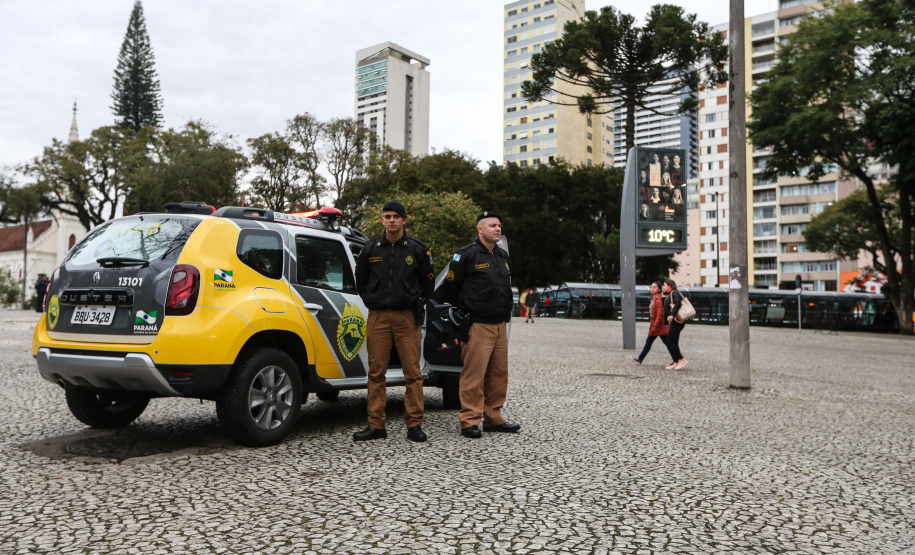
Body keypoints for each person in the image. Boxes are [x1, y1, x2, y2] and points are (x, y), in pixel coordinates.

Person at [353, 200, 435, 442]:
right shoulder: (370, 249)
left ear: (404, 220)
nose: (391, 220)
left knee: (413, 373)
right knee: (376, 373)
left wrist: (412, 302)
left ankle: (414, 425)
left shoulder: (418, 250)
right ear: (382, 220)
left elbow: (427, 283)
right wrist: (372, 300)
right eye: (387, 216)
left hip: (406, 317)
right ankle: (376, 425)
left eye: (396, 216)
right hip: (377, 317)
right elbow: (361, 281)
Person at [437, 211, 520, 438]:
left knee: (498, 374)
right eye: (492, 225)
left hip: (499, 325)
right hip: (477, 324)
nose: (497, 229)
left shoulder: (501, 256)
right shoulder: (466, 255)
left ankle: (494, 418)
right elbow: (450, 288)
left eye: (499, 226)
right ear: (480, 229)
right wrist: (463, 312)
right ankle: (469, 420)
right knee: (473, 375)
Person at [631, 281, 668, 364]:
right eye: (651, 287)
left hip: (658, 325)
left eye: (654, 287)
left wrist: (655, 324)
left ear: (659, 289)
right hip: (657, 324)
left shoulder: (658, 299)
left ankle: (640, 358)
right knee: (667, 342)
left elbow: (660, 314)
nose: (652, 289)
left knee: (650, 341)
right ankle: (677, 358)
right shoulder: (654, 299)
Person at [662, 279, 688, 370]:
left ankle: (681, 359)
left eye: (664, 285)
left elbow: (677, 304)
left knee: (669, 340)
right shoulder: (670, 294)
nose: (663, 287)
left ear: (670, 286)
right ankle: (676, 361)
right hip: (674, 321)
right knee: (673, 341)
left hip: (677, 321)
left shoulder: (675, 293)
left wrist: (672, 315)